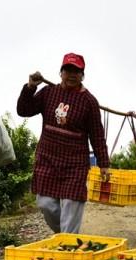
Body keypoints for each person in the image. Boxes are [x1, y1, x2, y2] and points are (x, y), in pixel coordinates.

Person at [17, 53, 110, 234]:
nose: (72, 75)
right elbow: (23, 110)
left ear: (82, 75)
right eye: (68, 70)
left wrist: (104, 164)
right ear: (61, 72)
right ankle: (65, 238)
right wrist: (29, 88)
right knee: (45, 204)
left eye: (77, 71)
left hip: (74, 165)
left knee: (70, 208)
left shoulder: (89, 102)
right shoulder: (48, 92)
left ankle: (68, 247)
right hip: (47, 159)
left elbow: (97, 135)